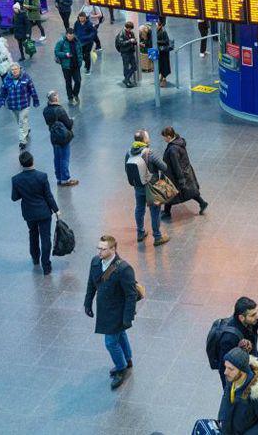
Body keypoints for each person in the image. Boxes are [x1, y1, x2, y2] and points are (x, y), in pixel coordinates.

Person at [84, 235, 138, 389]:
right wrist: (87, 303)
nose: (99, 251)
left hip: (117, 312)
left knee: (110, 342)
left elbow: (131, 295)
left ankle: (121, 367)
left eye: (103, 249)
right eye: (98, 248)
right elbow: (91, 284)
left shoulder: (124, 269)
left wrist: (128, 318)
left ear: (113, 249)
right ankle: (127, 359)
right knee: (120, 335)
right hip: (104, 310)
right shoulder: (95, 262)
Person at [10, 151, 59, 275]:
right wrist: (56, 210)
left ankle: (35, 258)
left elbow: (14, 197)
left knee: (33, 234)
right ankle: (46, 266)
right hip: (44, 212)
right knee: (45, 238)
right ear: (33, 161)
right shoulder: (42, 176)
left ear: (21, 164)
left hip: (29, 213)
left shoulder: (16, 179)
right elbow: (48, 196)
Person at [124, 130, 170, 245]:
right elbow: (164, 167)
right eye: (148, 137)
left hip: (138, 186)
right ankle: (157, 237)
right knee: (155, 211)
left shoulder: (129, 152)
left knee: (139, 208)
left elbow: (126, 169)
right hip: (152, 187)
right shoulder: (150, 153)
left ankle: (140, 233)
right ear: (144, 140)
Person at [218, 347, 258, 434]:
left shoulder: (257, 394)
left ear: (242, 371)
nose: (225, 372)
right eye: (225, 367)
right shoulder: (232, 378)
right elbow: (226, 396)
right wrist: (222, 418)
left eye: (231, 369)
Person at [160, 126, 209, 217]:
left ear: (169, 137)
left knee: (169, 192)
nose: (163, 139)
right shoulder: (179, 142)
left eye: (164, 137)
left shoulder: (173, 150)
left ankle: (167, 212)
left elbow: (176, 165)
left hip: (175, 174)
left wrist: (180, 179)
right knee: (189, 191)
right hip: (186, 171)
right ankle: (202, 203)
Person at [216, 297, 258, 389]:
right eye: (252, 315)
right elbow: (224, 367)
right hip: (240, 379)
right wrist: (228, 390)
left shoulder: (249, 324)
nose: (257, 317)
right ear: (241, 317)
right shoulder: (229, 338)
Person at [0, 63, 39, 150]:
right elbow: (3, 92)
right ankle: (26, 129)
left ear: (19, 69)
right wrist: (1, 101)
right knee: (20, 121)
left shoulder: (26, 78)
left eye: (16, 69)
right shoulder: (7, 79)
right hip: (13, 105)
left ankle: (22, 141)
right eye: (13, 70)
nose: (15, 71)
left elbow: (32, 90)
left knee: (21, 122)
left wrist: (35, 100)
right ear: (10, 71)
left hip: (24, 104)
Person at [43, 91, 78, 186]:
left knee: (57, 158)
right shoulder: (60, 110)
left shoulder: (45, 110)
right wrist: (71, 120)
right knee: (64, 158)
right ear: (55, 98)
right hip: (63, 137)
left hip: (53, 137)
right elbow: (69, 125)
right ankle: (65, 179)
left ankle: (59, 178)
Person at [54, 29, 82, 103]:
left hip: (76, 65)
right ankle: (70, 97)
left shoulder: (77, 41)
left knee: (78, 81)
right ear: (66, 35)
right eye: (69, 36)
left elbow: (80, 50)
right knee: (68, 82)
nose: (70, 38)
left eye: (72, 36)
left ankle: (75, 94)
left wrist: (80, 61)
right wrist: (65, 54)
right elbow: (56, 52)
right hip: (66, 66)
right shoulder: (61, 42)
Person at [115, 21, 139, 88]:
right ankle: (127, 81)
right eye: (130, 29)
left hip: (131, 52)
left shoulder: (131, 33)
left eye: (131, 29)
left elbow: (134, 42)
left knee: (134, 67)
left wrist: (134, 41)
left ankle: (126, 79)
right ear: (126, 28)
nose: (130, 30)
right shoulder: (121, 34)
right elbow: (121, 43)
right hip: (125, 53)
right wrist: (130, 41)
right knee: (126, 67)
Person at [156, 18, 172, 87]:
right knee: (161, 65)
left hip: (164, 52)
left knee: (164, 65)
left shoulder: (163, 32)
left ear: (160, 25)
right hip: (160, 51)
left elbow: (166, 41)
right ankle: (162, 77)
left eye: (157, 24)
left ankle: (164, 79)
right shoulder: (157, 31)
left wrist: (157, 42)